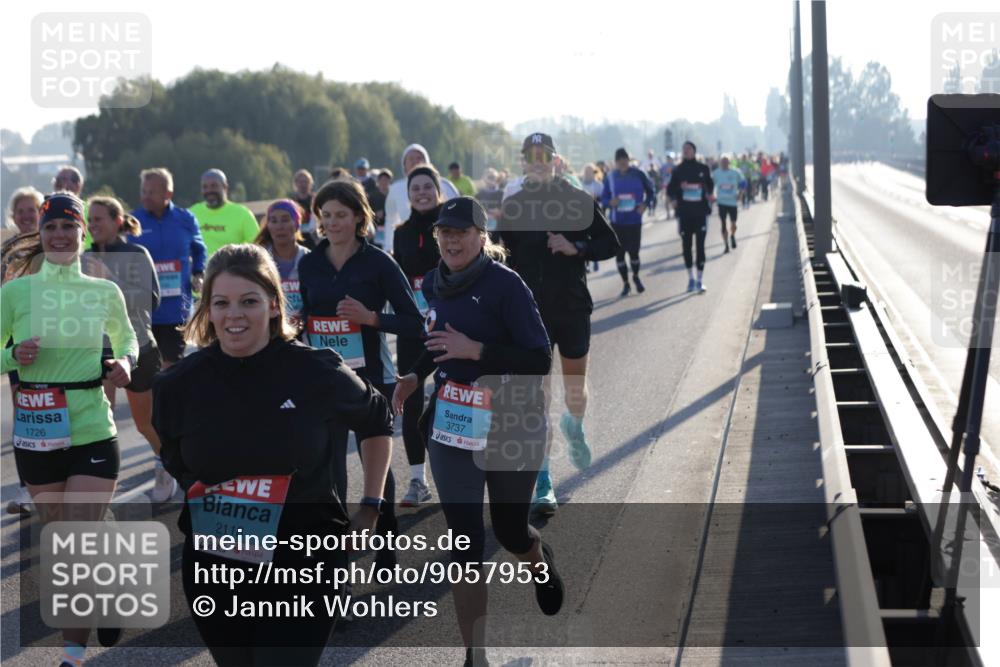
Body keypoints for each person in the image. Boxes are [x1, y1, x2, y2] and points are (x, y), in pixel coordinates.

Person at [153, 244, 393, 667]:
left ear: (274, 305)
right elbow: (172, 449)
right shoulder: (180, 384)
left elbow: (377, 421)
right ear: (207, 310)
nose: (234, 315)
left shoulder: (316, 370)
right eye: (221, 303)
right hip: (217, 564)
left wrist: (371, 505)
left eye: (249, 301)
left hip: (307, 559)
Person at [393, 197, 565, 667]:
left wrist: (478, 351)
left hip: (511, 421)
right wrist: (414, 374)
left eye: (460, 232)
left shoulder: (506, 286)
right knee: (465, 541)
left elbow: (537, 359)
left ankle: (536, 558)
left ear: (481, 236)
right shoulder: (433, 282)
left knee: (510, 530)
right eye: (444, 233)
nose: (450, 240)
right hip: (453, 424)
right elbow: (438, 341)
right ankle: (476, 656)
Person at [2, 192, 138, 665]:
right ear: (40, 236)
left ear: (83, 233)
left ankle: (71, 658)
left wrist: (123, 362)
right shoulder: (15, 293)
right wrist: (10, 356)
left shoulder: (104, 291)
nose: (59, 235)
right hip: (37, 432)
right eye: (51, 227)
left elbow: (129, 340)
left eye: (69, 226)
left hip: (92, 427)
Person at [298, 179, 424, 567]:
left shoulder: (378, 263)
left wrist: (370, 318)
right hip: (325, 378)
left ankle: (386, 539)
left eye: (341, 215)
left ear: (359, 217)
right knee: (331, 466)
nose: (332, 223)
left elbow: (414, 322)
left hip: (372, 378)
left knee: (376, 466)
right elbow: (306, 315)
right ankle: (340, 560)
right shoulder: (310, 263)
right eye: (326, 216)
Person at [500, 133, 620, 515]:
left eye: (544, 156)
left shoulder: (577, 200)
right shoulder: (514, 207)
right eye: (531, 156)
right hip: (530, 315)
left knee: (574, 392)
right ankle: (543, 480)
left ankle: (575, 425)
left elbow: (610, 243)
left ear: (555, 160)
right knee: (537, 400)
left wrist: (577, 247)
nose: (538, 161)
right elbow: (500, 256)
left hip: (570, 308)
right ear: (523, 162)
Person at [85, 196, 175, 502]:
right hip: (97, 351)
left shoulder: (136, 253)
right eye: (90, 219)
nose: (93, 225)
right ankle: (100, 483)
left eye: (99, 219)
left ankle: (168, 465)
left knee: (144, 423)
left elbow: (151, 299)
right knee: (98, 423)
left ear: (117, 221)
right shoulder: (82, 258)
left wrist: (110, 280)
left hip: (136, 348)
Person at [392, 166, 445, 506]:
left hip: (450, 325)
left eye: (428, 187)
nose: (422, 192)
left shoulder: (451, 228)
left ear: (439, 191)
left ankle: (458, 476)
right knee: (411, 404)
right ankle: (417, 482)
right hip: (413, 327)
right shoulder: (400, 233)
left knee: (447, 404)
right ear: (408, 194)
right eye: (416, 188)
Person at [130, 168, 208, 367]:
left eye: (151, 192)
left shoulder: (185, 219)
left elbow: (200, 250)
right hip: (143, 310)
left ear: (168, 194)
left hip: (176, 308)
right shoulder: (133, 221)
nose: (145, 197)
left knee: (171, 366)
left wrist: (198, 273)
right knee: (147, 369)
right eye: (143, 191)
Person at [2, 186, 44, 513]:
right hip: (20, 343)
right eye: (21, 211)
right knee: (25, 413)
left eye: (32, 210)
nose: (27, 216)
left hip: (57, 340)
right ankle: (26, 487)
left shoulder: (55, 244)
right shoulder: (7, 252)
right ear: (13, 217)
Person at [383, 143, 461, 254]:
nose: (415, 161)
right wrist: (388, 248)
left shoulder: (445, 185)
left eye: (419, 158)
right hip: (409, 241)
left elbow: (459, 214)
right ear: (404, 165)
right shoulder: (395, 189)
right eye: (410, 159)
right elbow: (390, 219)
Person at [601, 147, 655, 296]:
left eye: (624, 159)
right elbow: (604, 198)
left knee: (634, 253)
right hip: (617, 222)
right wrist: (610, 202)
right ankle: (625, 283)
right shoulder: (610, 177)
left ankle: (636, 277)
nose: (622, 162)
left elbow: (651, 191)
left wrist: (645, 204)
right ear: (616, 162)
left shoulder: (639, 174)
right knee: (619, 254)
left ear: (628, 160)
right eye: (619, 160)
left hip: (634, 221)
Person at [667, 141, 715, 293]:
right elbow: (670, 189)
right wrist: (673, 200)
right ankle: (690, 279)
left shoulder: (703, 168)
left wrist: (709, 195)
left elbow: (710, 186)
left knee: (700, 246)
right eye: (684, 149)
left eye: (688, 149)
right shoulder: (678, 170)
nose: (686, 151)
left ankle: (700, 280)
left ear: (694, 151)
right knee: (686, 247)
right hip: (684, 214)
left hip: (700, 213)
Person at [255, 199, 311, 323]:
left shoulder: (310, 259)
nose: (279, 226)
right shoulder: (258, 260)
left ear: (297, 223)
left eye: (285, 220)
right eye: (273, 221)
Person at [189, 169, 260, 257]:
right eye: (205, 187)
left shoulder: (243, 214)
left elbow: (258, 247)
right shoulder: (192, 213)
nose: (209, 190)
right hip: (200, 270)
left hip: (233, 269)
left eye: (214, 186)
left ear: (225, 187)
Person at [53, 166, 92, 249]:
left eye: (63, 179)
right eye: (57, 179)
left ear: (77, 185)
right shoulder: (47, 209)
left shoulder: (89, 211)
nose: (58, 182)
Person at [711, 156, 744, 252]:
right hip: (721, 202)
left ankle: (732, 235)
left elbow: (743, 183)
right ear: (720, 163)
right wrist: (712, 195)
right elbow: (710, 185)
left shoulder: (736, 172)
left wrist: (740, 194)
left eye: (726, 162)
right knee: (723, 224)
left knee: (733, 223)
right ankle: (726, 245)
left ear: (729, 163)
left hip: (733, 202)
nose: (724, 164)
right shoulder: (716, 173)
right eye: (722, 162)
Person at [290, 169, 318, 249]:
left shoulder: (315, 200)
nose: (303, 184)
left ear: (310, 183)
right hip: (296, 235)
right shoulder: (292, 202)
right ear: (296, 184)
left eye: (306, 181)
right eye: (300, 182)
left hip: (313, 236)